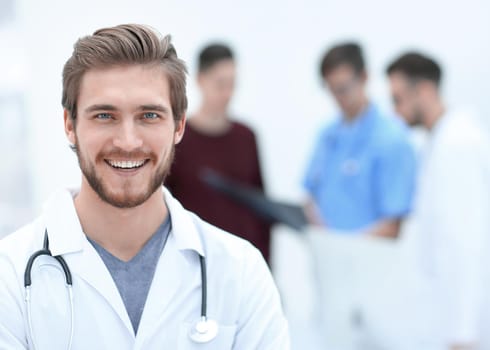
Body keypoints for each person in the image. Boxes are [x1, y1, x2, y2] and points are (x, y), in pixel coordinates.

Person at [0, 24, 289, 349]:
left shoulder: (242, 273)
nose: (127, 141)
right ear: (70, 125)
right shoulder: (9, 276)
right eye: (104, 116)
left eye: (149, 115)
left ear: (178, 125)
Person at [386, 52, 490, 350]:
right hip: (445, 317)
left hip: (464, 329)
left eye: (398, 98)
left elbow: (466, 244)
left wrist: (462, 333)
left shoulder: (457, 146)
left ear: (426, 90)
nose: (395, 111)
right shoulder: (440, 143)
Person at [165, 43, 271, 261]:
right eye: (220, 84)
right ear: (200, 80)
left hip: (242, 260)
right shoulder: (178, 139)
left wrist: (265, 263)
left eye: (232, 84)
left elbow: (262, 207)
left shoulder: (246, 137)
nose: (227, 93)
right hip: (194, 260)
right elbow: (165, 207)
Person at [303, 42, 416, 238]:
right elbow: (310, 195)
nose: (337, 97)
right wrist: (324, 238)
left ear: (364, 77)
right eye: (331, 89)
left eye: (343, 88)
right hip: (326, 257)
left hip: (370, 260)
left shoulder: (392, 139)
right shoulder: (327, 135)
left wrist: (346, 248)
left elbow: (393, 223)